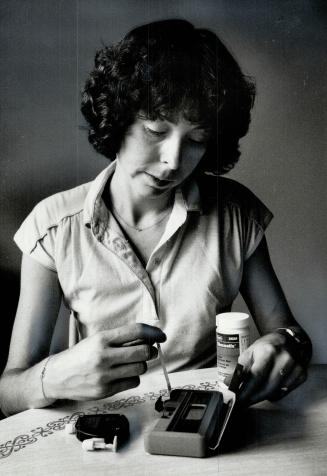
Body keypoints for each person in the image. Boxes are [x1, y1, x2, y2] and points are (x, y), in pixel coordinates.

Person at [0, 19, 312, 416]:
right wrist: (57, 375)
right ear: (118, 118)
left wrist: (286, 346)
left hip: (207, 424)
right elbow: (8, 393)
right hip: (99, 436)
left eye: (196, 140)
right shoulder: (53, 226)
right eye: (154, 130)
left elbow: (290, 333)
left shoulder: (236, 215)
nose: (173, 161)